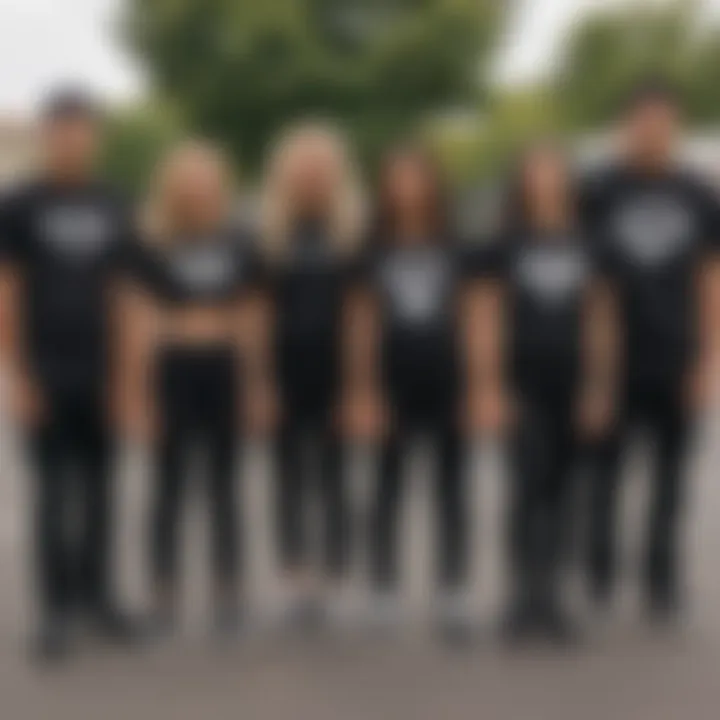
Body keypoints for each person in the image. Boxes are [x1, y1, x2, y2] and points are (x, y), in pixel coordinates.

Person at [0, 88, 137, 661]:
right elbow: (7, 291)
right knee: (53, 497)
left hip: (104, 371)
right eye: (60, 130)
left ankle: (97, 598)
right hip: (47, 371)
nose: (71, 140)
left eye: (81, 130)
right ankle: (54, 611)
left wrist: (128, 378)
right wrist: (19, 377)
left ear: (94, 138)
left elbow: (124, 294)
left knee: (104, 493)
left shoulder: (115, 203)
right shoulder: (19, 205)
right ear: (44, 137)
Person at [116, 141, 273, 639]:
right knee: (167, 490)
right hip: (170, 375)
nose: (199, 191)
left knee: (226, 489)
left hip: (225, 374)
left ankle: (229, 595)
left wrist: (256, 386)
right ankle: (164, 595)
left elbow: (251, 318)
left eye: (208, 182)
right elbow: (138, 320)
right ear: (171, 188)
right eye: (189, 182)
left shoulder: (242, 241)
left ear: (221, 186)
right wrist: (137, 395)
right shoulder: (148, 243)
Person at [467, 142, 619, 644]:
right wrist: (488, 386)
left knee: (563, 491)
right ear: (522, 182)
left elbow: (601, 318)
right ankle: (520, 597)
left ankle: (552, 597)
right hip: (521, 382)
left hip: (573, 382)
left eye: (554, 172)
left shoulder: (592, 243)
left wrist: (598, 387)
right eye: (535, 172)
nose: (545, 181)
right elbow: (484, 318)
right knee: (526, 487)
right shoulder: (502, 245)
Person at [581, 79, 720, 621]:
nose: (651, 133)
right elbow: (587, 281)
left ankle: (661, 585)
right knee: (605, 477)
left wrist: (707, 361)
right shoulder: (598, 191)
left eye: (662, 123)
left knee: (670, 480)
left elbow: (710, 278)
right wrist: (593, 373)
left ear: (675, 128)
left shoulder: (698, 193)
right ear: (625, 127)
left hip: (676, 356)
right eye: (641, 123)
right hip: (613, 359)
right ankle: (599, 580)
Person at [343, 145, 472, 638]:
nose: (407, 188)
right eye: (397, 178)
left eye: (417, 177)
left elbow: (475, 319)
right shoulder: (371, 250)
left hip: (447, 379)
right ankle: (384, 589)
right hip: (392, 382)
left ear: (434, 185)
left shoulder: (457, 248)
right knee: (386, 489)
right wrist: (363, 390)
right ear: (385, 188)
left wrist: (478, 386)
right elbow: (360, 324)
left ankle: (452, 590)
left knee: (450, 489)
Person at [260, 122, 365, 627]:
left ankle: (338, 578)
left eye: (320, 170)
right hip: (283, 373)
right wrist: (259, 384)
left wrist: (359, 387)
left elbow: (361, 317)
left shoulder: (352, 235)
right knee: (289, 479)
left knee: (335, 478)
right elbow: (255, 317)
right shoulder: (267, 237)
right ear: (284, 176)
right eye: (301, 171)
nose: (311, 179)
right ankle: (295, 579)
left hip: (337, 374)